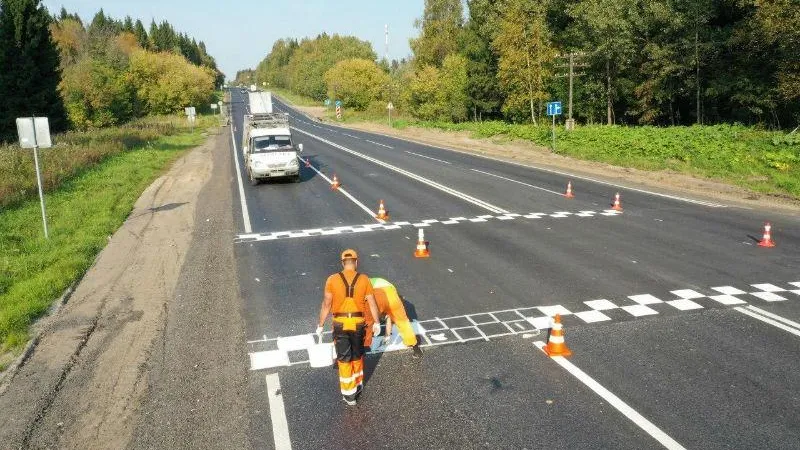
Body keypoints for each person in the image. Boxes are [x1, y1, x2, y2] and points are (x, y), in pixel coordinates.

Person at [316, 249, 381, 406]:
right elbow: (372, 302)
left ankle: (349, 394)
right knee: (357, 355)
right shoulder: (364, 279)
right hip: (358, 323)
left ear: (342, 263)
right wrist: (377, 322)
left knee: (344, 358)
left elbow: (326, 304)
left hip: (340, 323)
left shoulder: (332, 280)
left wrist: (320, 324)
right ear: (356, 262)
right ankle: (358, 384)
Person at [368, 277, 423, 358]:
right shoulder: (394, 292)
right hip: (391, 296)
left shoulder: (365, 281)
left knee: (368, 318)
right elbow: (389, 317)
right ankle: (416, 349)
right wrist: (387, 335)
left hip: (376, 294)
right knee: (403, 322)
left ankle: (362, 346)